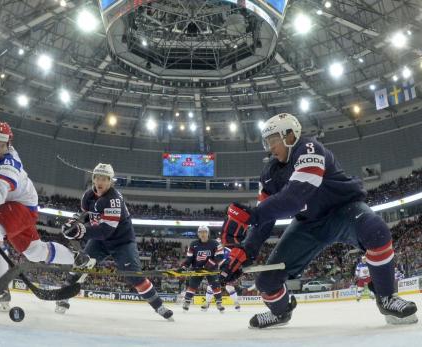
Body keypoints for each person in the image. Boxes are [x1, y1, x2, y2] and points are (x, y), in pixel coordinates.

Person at [220, 113, 417, 328]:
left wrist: (252, 215)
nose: (269, 146)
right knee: (266, 281)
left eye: (273, 139)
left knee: (376, 230)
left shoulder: (309, 148)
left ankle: (387, 297)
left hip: (343, 210)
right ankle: (281, 312)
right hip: (308, 224)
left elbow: (295, 197)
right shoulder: (268, 174)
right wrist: (246, 251)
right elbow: (265, 221)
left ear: (289, 135)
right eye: (266, 141)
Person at [0, 121, 92, 310]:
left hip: (22, 205)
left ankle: (0, 289)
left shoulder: (10, 162)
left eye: (2, 145)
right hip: (7, 208)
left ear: (8, 145)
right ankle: (76, 258)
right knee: (34, 252)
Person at [55, 163, 173, 320]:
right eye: (97, 177)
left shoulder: (113, 199)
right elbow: (84, 214)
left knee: (135, 276)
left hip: (121, 242)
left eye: (104, 178)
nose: (100, 182)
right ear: (93, 179)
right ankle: (64, 298)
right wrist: (73, 223)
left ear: (111, 181)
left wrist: (81, 231)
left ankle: (159, 306)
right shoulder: (88, 196)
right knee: (80, 265)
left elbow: (106, 230)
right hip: (100, 240)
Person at [179, 225, 224, 313]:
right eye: (200, 232)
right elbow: (189, 258)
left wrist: (209, 264)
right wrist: (184, 266)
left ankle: (219, 303)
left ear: (208, 233)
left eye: (204, 232)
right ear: (198, 234)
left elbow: (220, 256)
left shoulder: (215, 243)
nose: (203, 234)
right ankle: (187, 302)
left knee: (215, 285)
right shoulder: (193, 244)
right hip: (197, 269)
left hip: (211, 269)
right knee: (192, 285)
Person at [205, 245, 241, 311]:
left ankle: (236, 303)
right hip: (216, 271)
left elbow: (233, 260)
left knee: (229, 287)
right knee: (210, 287)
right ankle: (207, 303)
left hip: (227, 271)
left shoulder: (228, 251)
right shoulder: (212, 250)